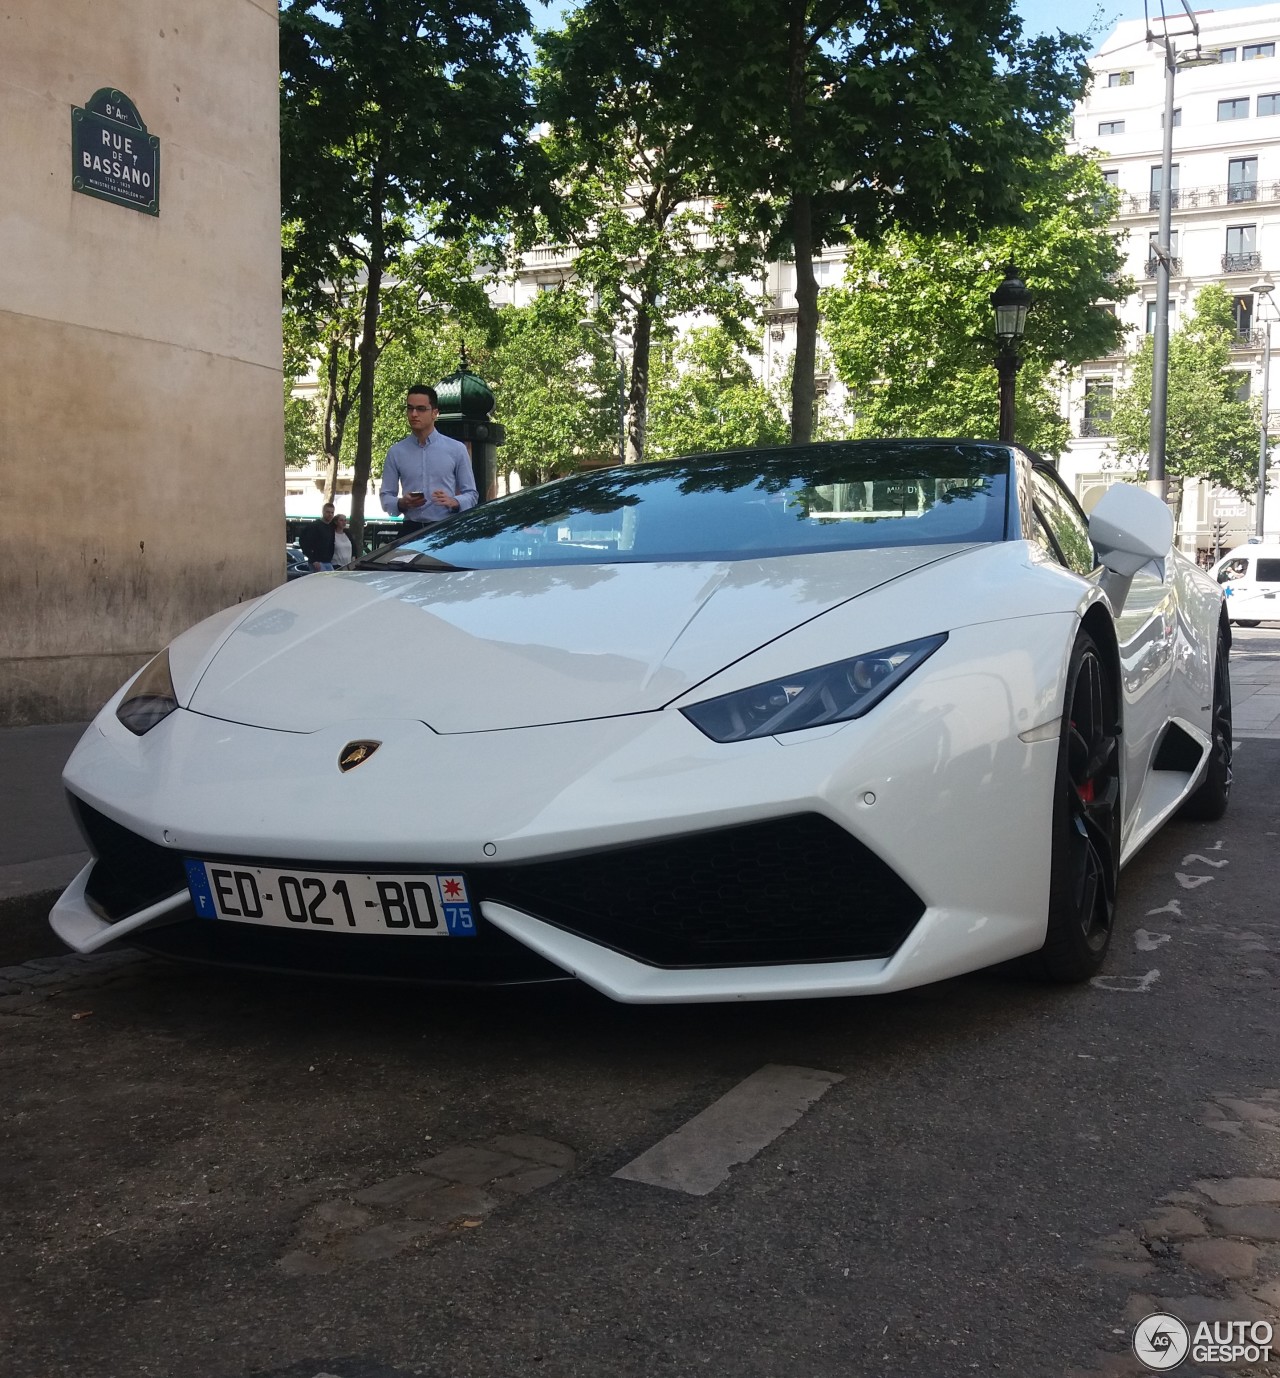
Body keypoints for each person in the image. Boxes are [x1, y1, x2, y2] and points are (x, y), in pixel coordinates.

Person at [379, 385, 478, 534]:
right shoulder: (396, 452)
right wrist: (401, 503)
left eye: (420, 409)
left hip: (445, 528)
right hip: (410, 530)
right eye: (410, 408)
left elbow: (472, 494)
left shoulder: (456, 449)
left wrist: (455, 502)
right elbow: (386, 495)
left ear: (435, 413)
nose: (414, 414)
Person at [299, 502, 337, 571]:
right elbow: (304, 543)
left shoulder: (331, 527)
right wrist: (313, 560)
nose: (330, 514)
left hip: (328, 562)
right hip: (317, 562)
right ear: (323, 512)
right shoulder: (314, 526)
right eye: (328, 512)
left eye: (332, 512)